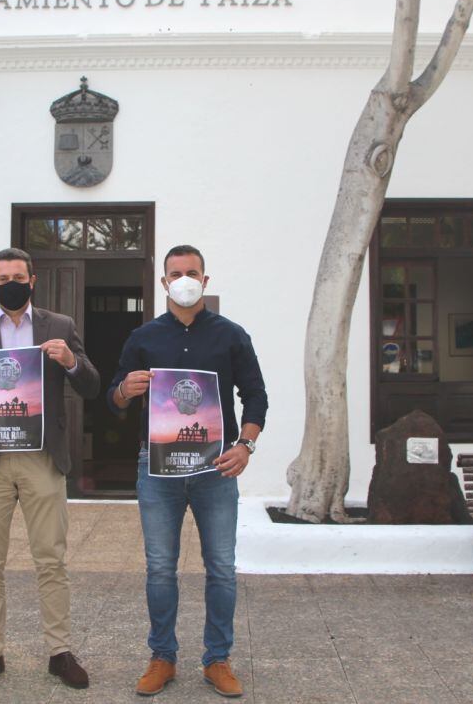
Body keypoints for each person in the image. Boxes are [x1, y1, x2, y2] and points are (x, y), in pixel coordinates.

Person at [0, 247, 100, 690]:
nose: (10, 283)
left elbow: (91, 384)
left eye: (17, 276)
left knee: (51, 559)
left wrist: (69, 360)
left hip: (41, 457)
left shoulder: (59, 326)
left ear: (32, 280)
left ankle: (59, 651)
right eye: (1, 277)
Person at [109, 245, 267, 698]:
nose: (184, 279)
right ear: (163, 282)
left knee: (221, 567)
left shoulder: (232, 335)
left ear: (205, 279)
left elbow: (255, 396)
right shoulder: (142, 337)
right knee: (160, 568)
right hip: (158, 468)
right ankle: (162, 657)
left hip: (216, 467)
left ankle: (218, 659)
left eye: (191, 272)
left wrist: (246, 445)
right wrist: (125, 390)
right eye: (175, 273)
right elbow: (113, 401)